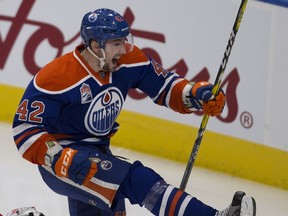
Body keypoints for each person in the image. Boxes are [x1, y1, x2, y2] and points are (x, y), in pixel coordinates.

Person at [12, 8, 256, 216]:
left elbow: (165, 86)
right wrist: (57, 157)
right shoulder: (56, 77)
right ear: (96, 46)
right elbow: (25, 129)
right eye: (116, 43)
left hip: (98, 151)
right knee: (136, 179)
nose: (124, 48)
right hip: (64, 162)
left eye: (124, 40)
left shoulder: (128, 60)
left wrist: (195, 95)